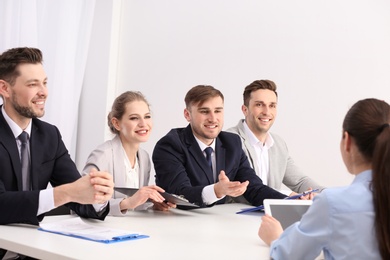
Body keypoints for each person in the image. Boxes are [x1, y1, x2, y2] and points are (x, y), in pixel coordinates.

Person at [258, 98, 390, 259]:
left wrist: (276, 238)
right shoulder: (331, 202)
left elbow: (288, 255)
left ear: (347, 141)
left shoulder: (333, 203)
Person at [0, 47, 114, 226]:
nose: (43, 92)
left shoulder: (49, 135)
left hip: (31, 247)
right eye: (32, 84)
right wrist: (65, 193)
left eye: (44, 83)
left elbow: (78, 196)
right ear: (4, 88)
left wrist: (98, 195)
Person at [152, 85, 288, 209]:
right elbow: (179, 194)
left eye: (218, 111)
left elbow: (254, 187)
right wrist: (216, 190)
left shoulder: (232, 143)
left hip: (219, 224)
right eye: (204, 111)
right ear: (188, 115)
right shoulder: (170, 145)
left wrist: (291, 202)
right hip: (178, 224)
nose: (212, 118)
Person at [83, 91, 175, 216]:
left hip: (132, 229)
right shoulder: (102, 155)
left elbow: (135, 207)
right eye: (134, 118)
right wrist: (127, 203)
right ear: (117, 123)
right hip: (104, 231)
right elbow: (85, 203)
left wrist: (152, 203)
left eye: (147, 116)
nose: (143, 124)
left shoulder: (144, 157)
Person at [227, 80, 323, 196]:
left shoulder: (278, 143)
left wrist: (329, 195)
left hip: (269, 213)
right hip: (236, 213)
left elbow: (299, 182)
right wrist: (289, 196)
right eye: (259, 105)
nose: (267, 112)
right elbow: (250, 188)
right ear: (245, 109)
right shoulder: (230, 140)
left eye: (272, 106)